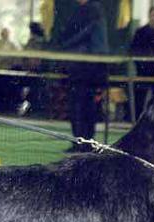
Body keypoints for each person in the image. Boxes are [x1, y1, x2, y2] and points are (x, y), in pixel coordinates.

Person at [59, 0, 109, 152]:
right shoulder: (86, 10)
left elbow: (84, 36)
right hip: (82, 70)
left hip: (86, 70)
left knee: (83, 108)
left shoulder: (92, 10)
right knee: (80, 108)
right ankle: (81, 142)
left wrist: (64, 46)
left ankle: (85, 143)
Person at [130, 6, 154, 120]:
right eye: (153, 15)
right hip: (143, 71)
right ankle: (138, 121)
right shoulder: (141, 32)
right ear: (149, 15)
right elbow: (134, 51)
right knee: (140, 99)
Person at [0, 27, 21, 114]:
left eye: (6, 33)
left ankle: (6, 109)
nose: (4, 35)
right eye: (3, 33)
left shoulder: (12, 45)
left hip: (7, 73)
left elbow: (15, 59)